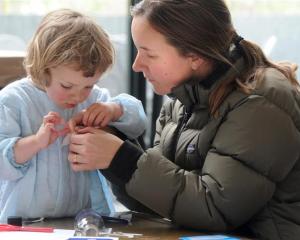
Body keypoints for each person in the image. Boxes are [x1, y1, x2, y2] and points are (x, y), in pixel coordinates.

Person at [67, 1, 300, 239]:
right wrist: (111, 146)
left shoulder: (262, 102)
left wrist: (121, 158)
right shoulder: (180, 103)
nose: (137, 65)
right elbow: (164, 203)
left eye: (149, 54)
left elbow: (215, 209)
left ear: (194, 56)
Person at [0, 9, 147, 222]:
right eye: (67, 85)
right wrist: (36, 142)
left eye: (88, 85)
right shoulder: (13, 101)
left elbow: (138, 121)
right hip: (24, 222)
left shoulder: (97, 99)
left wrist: (113, 109)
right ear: (44, 68)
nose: (78, 96)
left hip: (84, 219)